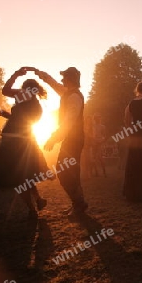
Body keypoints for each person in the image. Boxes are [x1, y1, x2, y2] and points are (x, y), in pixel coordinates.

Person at [0, 68, 48, 219]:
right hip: (26, 140)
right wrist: (8, 115)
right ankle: (38, 200)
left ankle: (32, 209)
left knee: (17, 177)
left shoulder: (24, 95)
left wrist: (16, 74)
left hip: (13, 141)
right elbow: (22, 120)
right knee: (25, 175)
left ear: (26, 88)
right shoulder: (36, 104)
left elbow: (5, 90)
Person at [34, 67, 88, 217]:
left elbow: (69, 122)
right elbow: (54, 84)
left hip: (74, 139)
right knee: (68, 172)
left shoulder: (74, 97)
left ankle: (79, 204)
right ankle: (78, 203)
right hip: (71, 139)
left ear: (70, 79)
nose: (62, 80)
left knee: (66, 172)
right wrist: (40, 73)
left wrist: (54, 137)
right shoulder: (68, 93)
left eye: (64, 77)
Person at [92, 113, 107, 177]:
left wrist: (102, 141)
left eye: (99, 118)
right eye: (97, 118)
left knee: (100, 158)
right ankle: (96, 172)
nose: (98, 119)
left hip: (100, 143)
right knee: (94, 158)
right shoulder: (92, 126)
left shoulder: (102, 127)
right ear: (95, 119)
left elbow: (105, 135)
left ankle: (104, 171)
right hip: (94, 143)